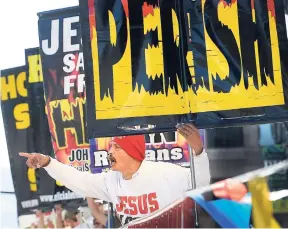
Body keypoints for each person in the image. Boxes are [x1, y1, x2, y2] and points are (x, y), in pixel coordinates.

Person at [20, 124, 210, 226]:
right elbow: (80, 180)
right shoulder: (111, 181)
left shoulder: (164, 173)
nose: (109, 152)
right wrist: (48, 162)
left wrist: (198, 151)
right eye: (110, 146)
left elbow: (199, 184)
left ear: (132, 152)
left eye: (116, 147)